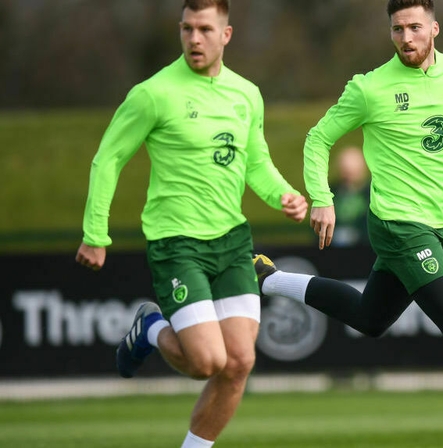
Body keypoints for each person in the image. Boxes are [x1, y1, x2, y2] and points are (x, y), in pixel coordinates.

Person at [255, 1, 443, 447]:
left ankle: (268, 278)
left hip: (436, 223)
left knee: (369, 317)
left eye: (414, 27)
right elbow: (318, 137)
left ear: (434, 28)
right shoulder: (370, 88)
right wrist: (322, 200)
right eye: (397, 29)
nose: (406, 37)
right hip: (397, 223)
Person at [74, 1, 307, 447]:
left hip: (232, 242)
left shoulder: (246, 94)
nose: (194, 39)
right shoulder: (154, 93)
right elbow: (109, 158)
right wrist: (94, 234)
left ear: (227, 35)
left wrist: (284, 195)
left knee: (238, 361)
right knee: (206, 362)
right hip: (177, 243)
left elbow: (255, 162)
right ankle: (151, 328)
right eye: (187, 29)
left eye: (204, 29)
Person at [328, 145, 370, 247]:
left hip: (365, 249)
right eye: (346, 171)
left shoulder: (373, 195)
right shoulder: (330, 192)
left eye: (352, 172)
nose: (348, 177)